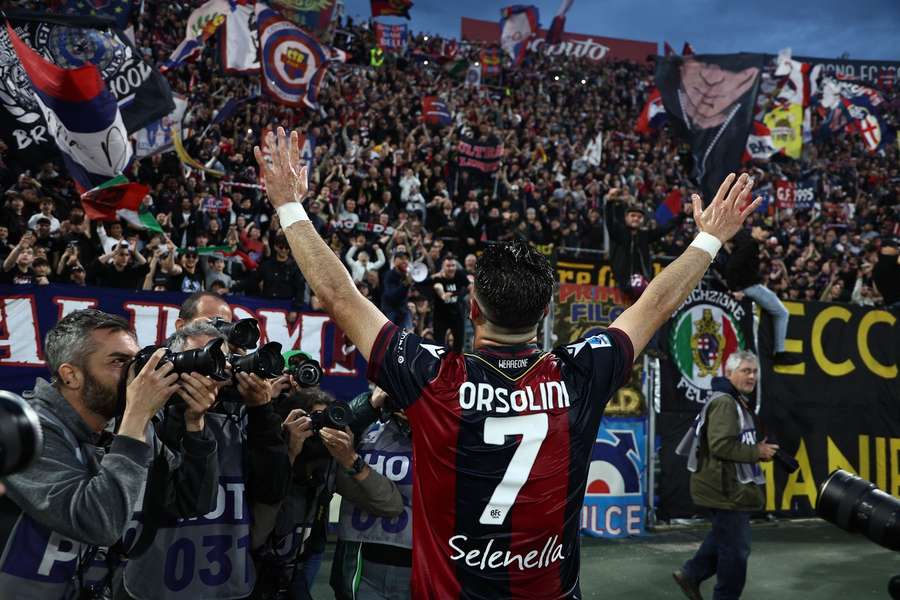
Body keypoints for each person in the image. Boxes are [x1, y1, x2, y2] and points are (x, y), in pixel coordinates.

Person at [256, 128, 761, 599]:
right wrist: (709, 238)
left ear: (473, 311)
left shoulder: (434, 377)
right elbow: (656, 302)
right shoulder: (581, 373)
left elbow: (339, 295)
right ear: (544, 314)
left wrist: (288, 204)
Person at [0, 309, 218, 599]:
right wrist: (136, 417)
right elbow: (98, 523)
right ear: (71, 375)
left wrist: (194, 424)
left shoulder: (127, 428)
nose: (136, 375)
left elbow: (190, 502)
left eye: (136, 360)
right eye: (119, 362)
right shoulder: (25, 432)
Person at [119, 294, 293, 600]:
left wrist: (262, 413)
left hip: (230, 583)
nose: (213, 368)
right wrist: (186, 416)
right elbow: (172, 498)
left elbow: (273, 490)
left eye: (219, 357)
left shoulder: (242, 412)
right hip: (152, 583)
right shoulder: (146, 409)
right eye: (203, 356)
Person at [672, 350, 778, 600]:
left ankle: (691, 573)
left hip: (726, 485)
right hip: (724, 488)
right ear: (729, 372)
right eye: (746, 371)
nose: (752, 376)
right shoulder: (726, 402)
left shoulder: (734, 400)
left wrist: (756, 448)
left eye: (755, 372)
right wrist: (757, 451)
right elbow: (720, 445)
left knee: (724, 537)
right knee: (735, 552)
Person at [330, 387, 413, 600]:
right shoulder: (368, 424)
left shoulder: (445, 430)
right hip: (360, 555)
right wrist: (371, 403)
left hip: (419, 562)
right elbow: (332, 429)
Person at [725, 223, 796, 365]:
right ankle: (780, 352)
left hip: (745, 285)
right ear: (756, 229)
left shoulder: (743, 235)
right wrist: (733, 289)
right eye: (764, 234)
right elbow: (732, 266)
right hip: (749, 287)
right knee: (782, 313)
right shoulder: (750, 244)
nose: (765, 238)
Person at [605, 188, 688, 300]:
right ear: (626, 218)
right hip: (620, 285)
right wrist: (610, 202)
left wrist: (683, 215)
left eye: (639, 217)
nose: (636, 219)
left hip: (642, 286)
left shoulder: (645, 235)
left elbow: (665, 228)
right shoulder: (618, 232)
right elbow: (610, 222)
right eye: (633, 216)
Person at [431, 254, 472, 353]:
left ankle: (456, 361)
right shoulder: (438, 277)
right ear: (443, 267)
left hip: (456, 313)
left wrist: (471, 301)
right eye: (448, 266)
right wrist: (442, 295)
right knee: (439, 345)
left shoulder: (460, 274)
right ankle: (439, 362)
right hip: (440, 316)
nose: (451, 268)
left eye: (453, 265)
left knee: (459, 344)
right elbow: (437, 286)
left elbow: (471, 286)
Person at [380, 249, 413, 329]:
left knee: (408, 332)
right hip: (390, 309)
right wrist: (404, 284)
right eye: (401, 258)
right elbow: (391, 295)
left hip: (403, 309)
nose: (405, 261)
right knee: (389, 333)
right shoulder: (389, 275)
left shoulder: (407, 275)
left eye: (406, 259)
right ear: (394, 262)